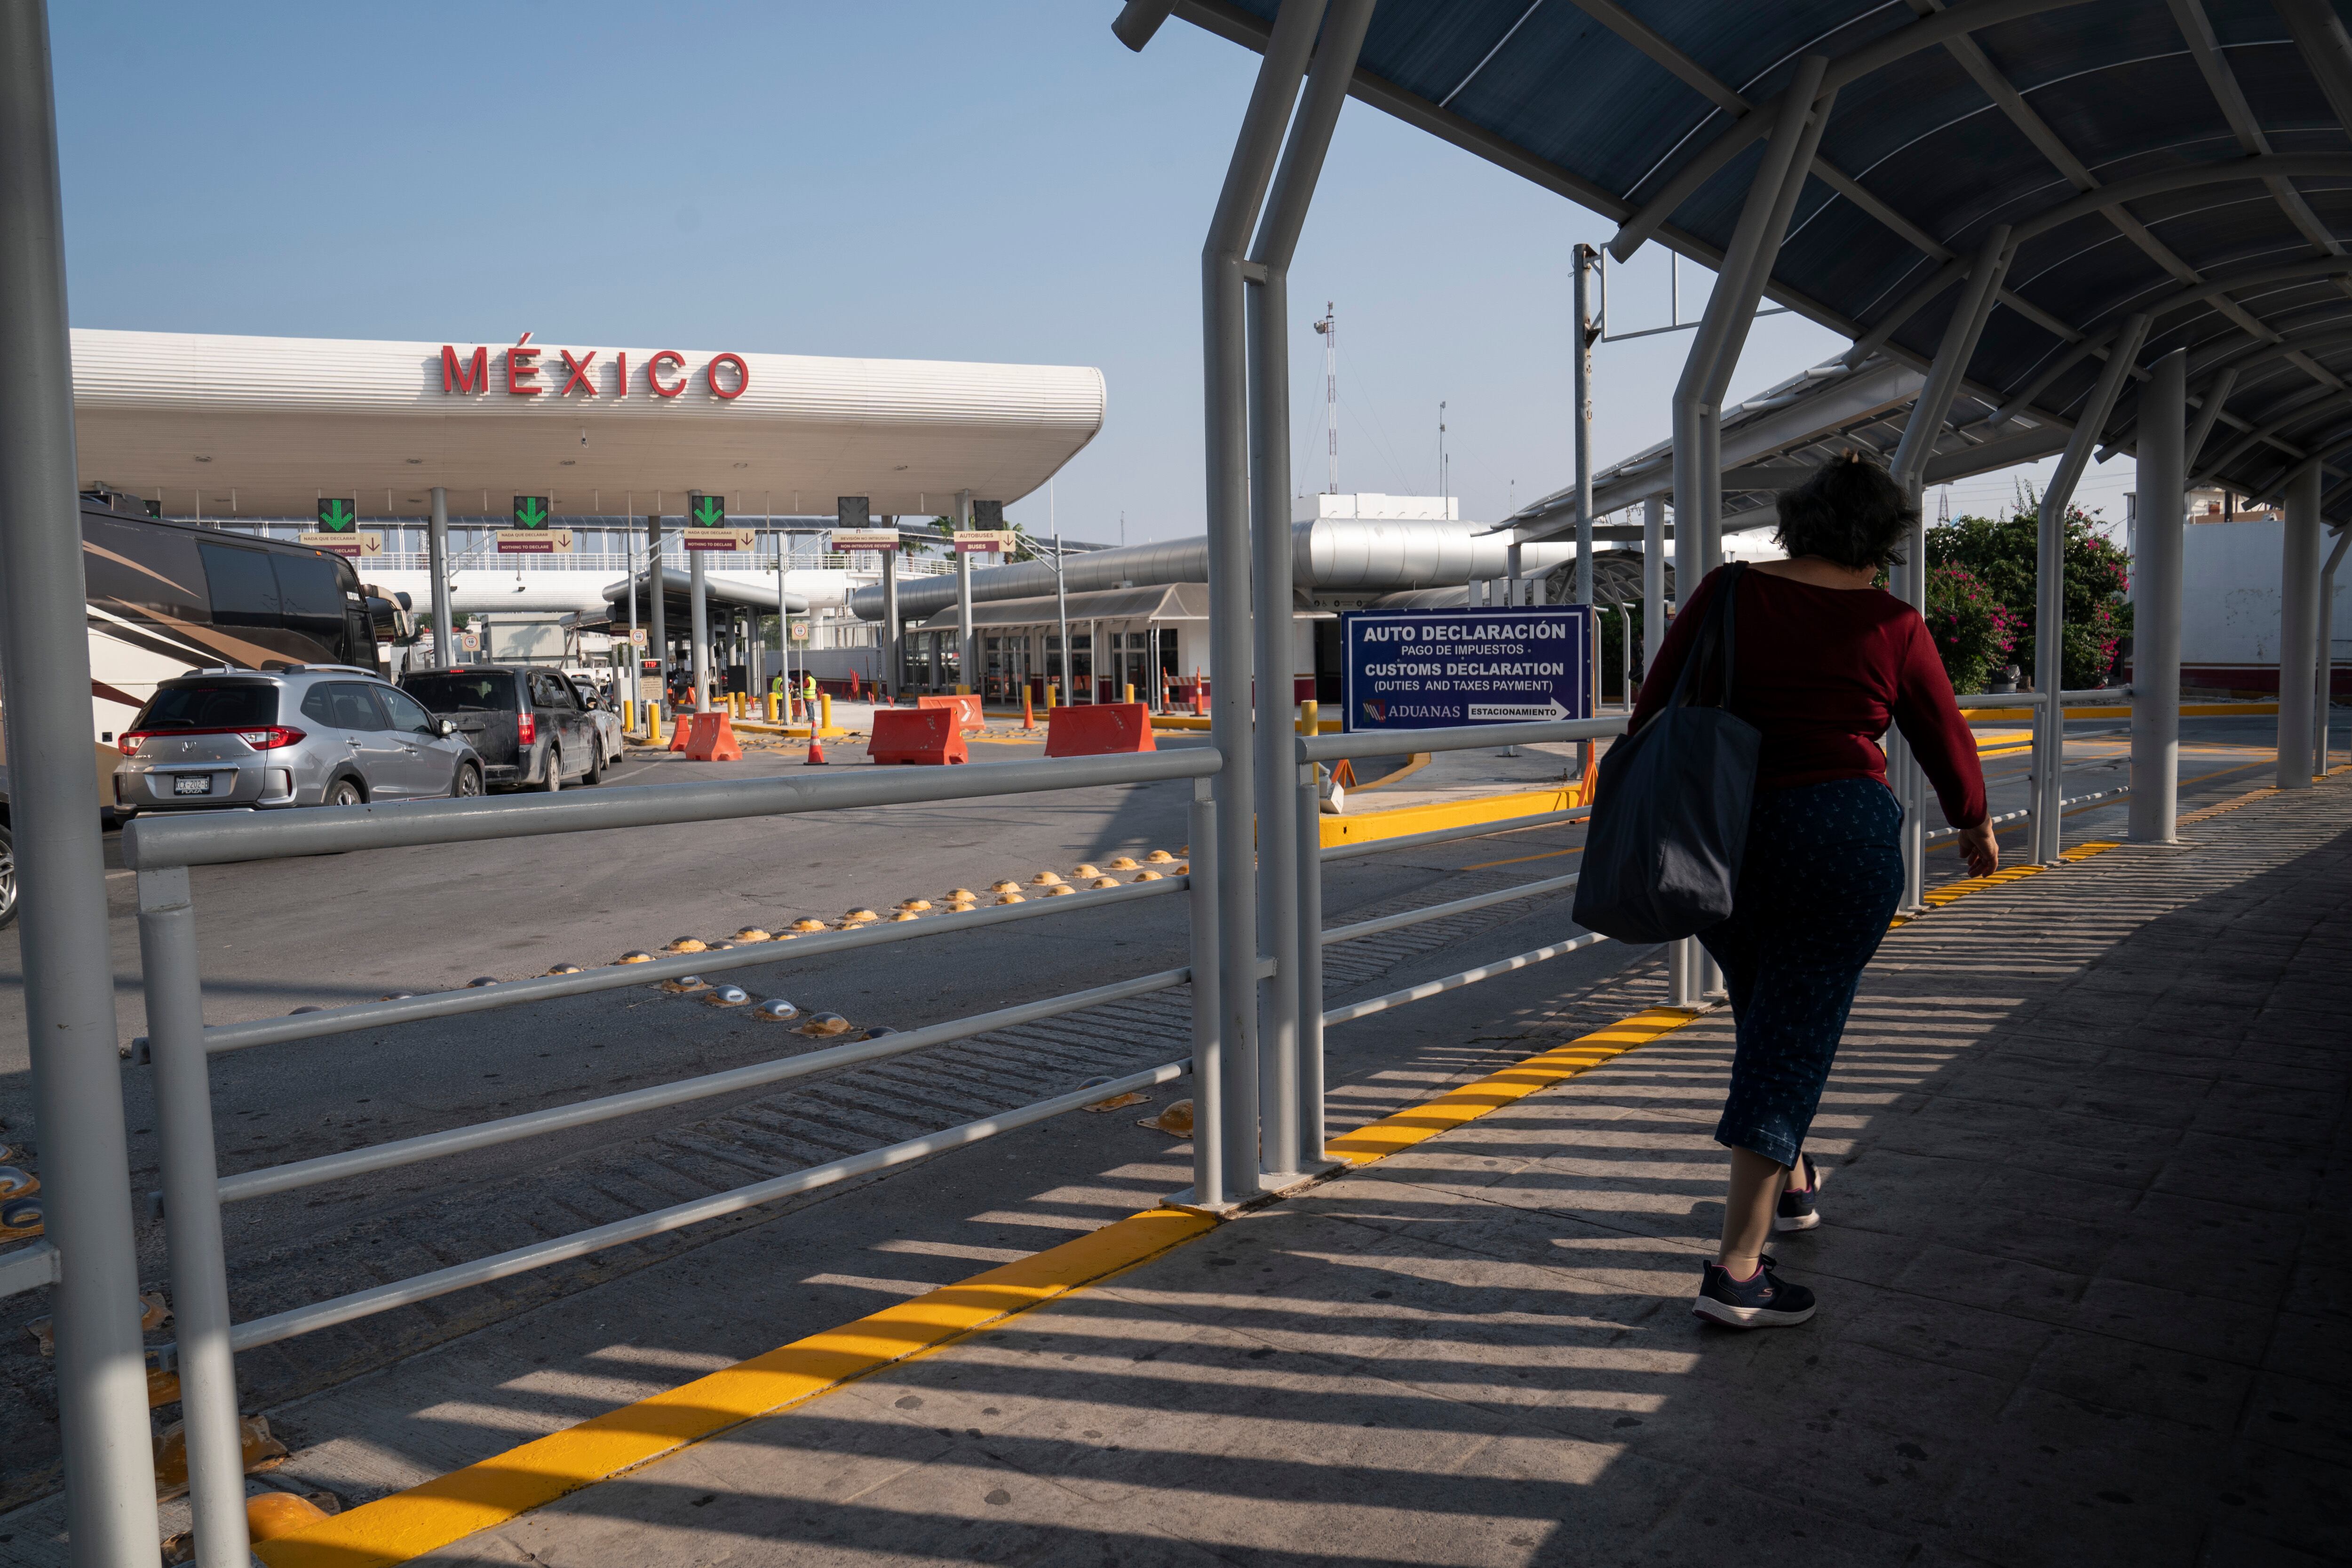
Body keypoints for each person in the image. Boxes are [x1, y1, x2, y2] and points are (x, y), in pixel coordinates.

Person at [1626, 454, 1997, 1330]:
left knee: (1769, 1005)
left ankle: (1791, 1182)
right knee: (1791, 1034)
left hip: (1721, 837)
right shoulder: (1893, 622)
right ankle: (1739, 1272)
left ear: (1797, 521)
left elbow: (1653, 710)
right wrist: (1973, 821)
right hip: (1840, 840)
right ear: (1882, 539)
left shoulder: (1728, 592)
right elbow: (1945, 733)